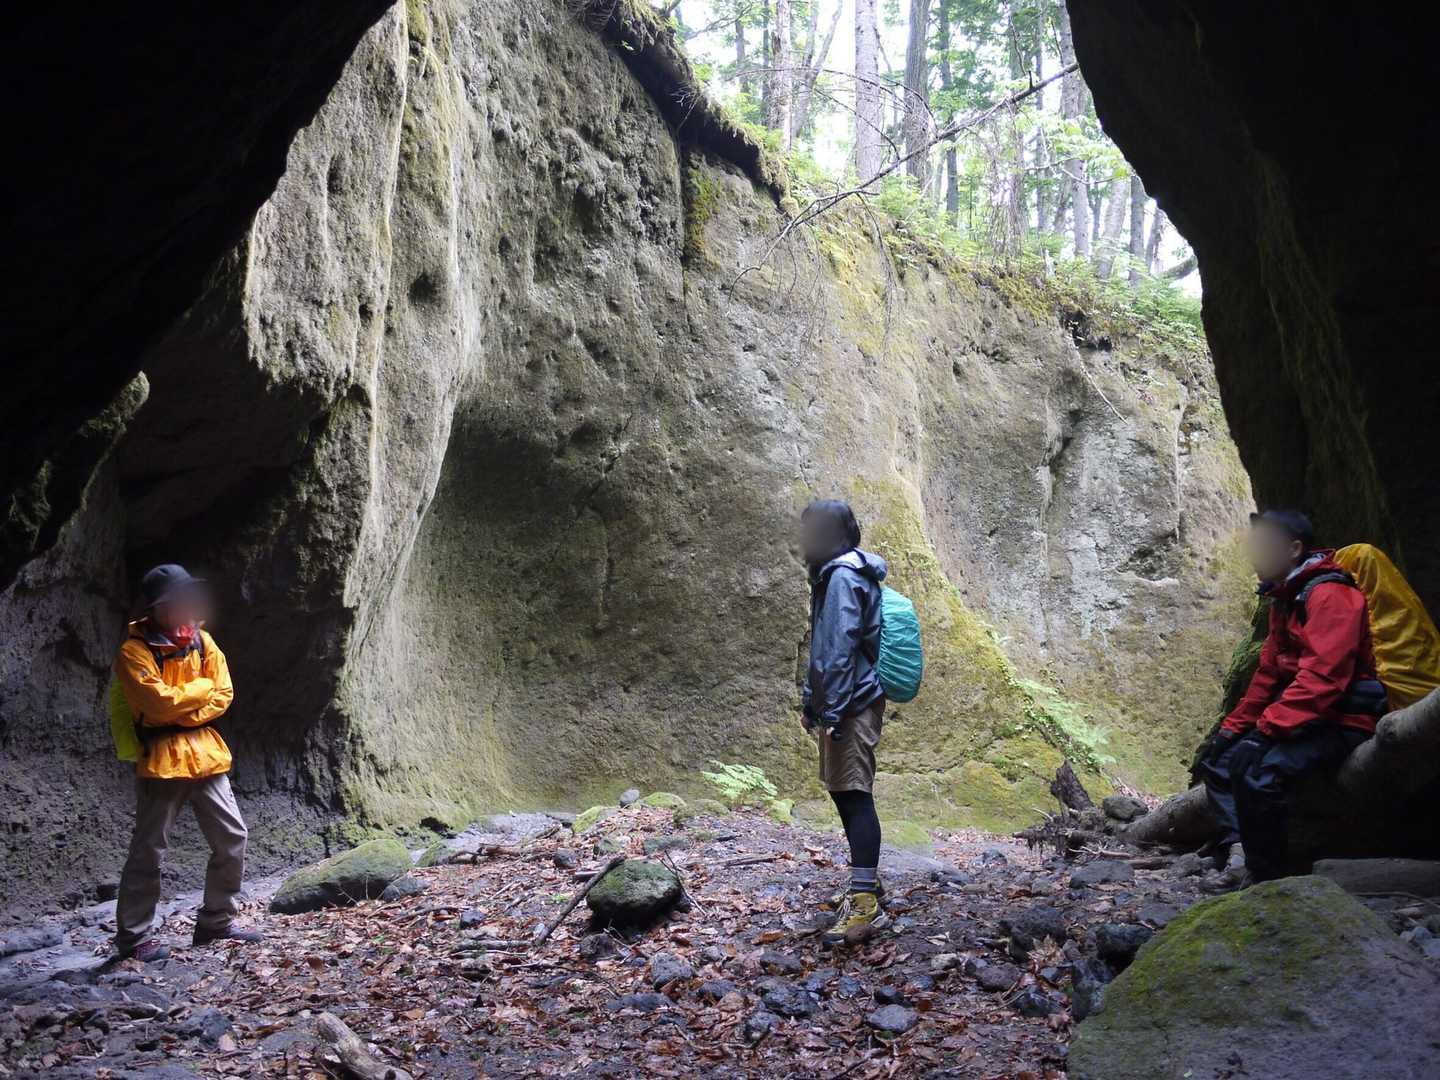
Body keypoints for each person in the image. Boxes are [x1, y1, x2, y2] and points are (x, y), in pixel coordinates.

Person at [1195, 511, 1384, 883]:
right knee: (1219, 763)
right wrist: (1231, 731)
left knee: (1259, 770)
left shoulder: (1331, 594)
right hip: (1304, 717)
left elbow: (1324, 678)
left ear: (1294, 549)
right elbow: (1268, 675)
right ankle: (1240, 851)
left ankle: (1269, 878)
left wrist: (1265, 732)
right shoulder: (1284, 598)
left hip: (1344, 719)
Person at [112, 564, 260, 961]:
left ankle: (216, 921)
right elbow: (157, 703)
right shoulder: (134, 653)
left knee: (232, 837)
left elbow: (223, 694)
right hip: (162, 760)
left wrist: (185, 708)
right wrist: (200, 690)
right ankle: (134, 939)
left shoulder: (203, 641)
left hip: (206, 754)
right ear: (158, 608)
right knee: (149, 850)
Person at [799, 500, 890, 943]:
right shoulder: (841, 574)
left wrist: (830, 711)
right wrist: (811, 703)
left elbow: (838, 650)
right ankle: (865, 884)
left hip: (852, 702)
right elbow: (824, 649)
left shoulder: (841, 578)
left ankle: (866, 904)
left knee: (854, 796)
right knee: (845, 792)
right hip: (847, 699)